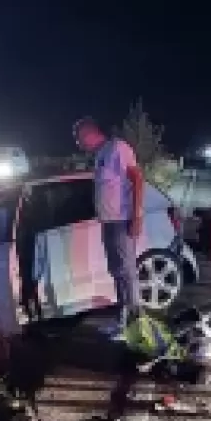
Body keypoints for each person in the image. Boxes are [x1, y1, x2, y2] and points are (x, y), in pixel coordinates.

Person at [74, 117, 145, 336]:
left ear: (88, 134)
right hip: (108, 222)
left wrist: (137, 216)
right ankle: (123, 321)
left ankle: (136, 324)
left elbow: (137, 179)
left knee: (127, 272)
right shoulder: (101, 155)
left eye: (78, 139)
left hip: (122, 220)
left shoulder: (118, 148)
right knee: (117, 272)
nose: (79, 144)